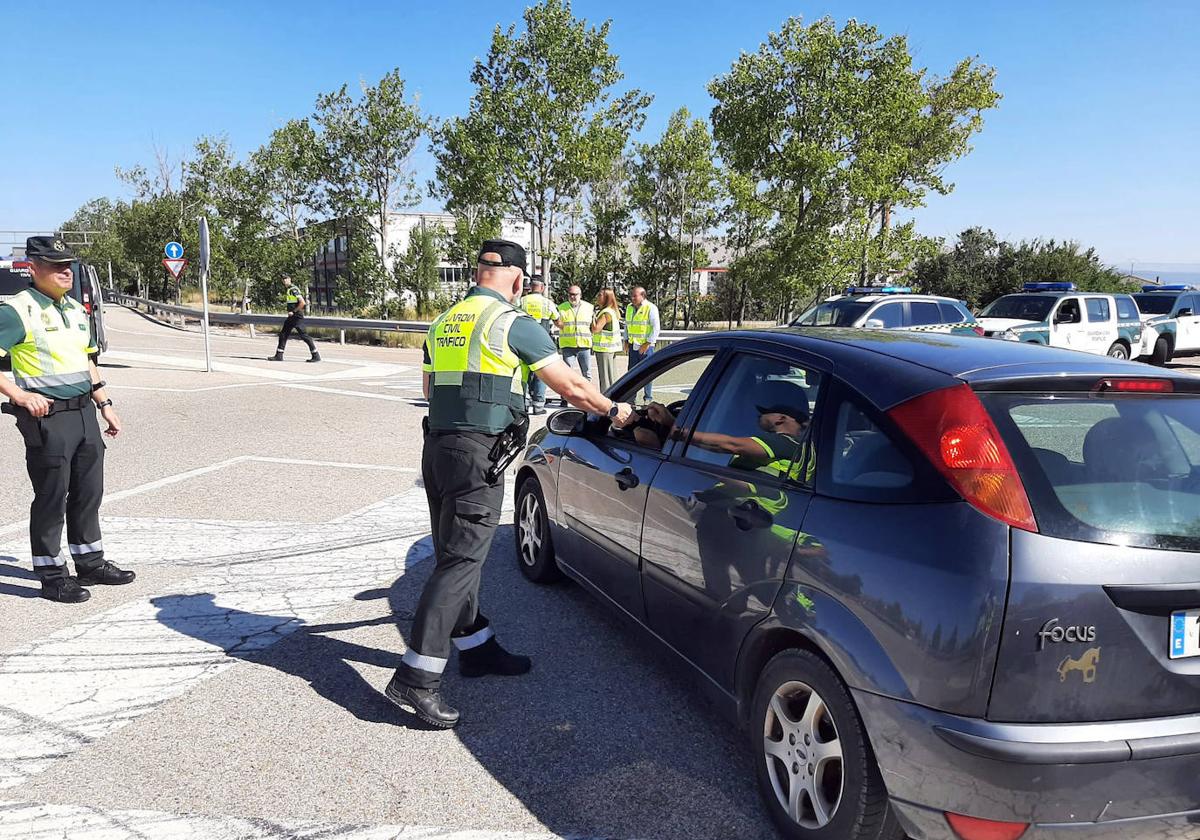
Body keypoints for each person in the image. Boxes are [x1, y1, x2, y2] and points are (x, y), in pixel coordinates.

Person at [384, 239, 635, 729]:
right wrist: (616, 411)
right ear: (519, 281)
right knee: (460, 562)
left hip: (437, 447)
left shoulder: (444, 321)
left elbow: (429, 390)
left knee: (457, 555)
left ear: (477, 273)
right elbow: (572, 387)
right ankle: (416, 677)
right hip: (478, 453)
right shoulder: (512, 323)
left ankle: (475, 648)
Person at [0, 236, 133, 603]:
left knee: (89, 492)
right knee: (52, 496)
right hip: (47, 419)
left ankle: (90, 563)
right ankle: (52, 574)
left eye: (68, 264)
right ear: (34, 267)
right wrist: (20, 395)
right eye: (56, 265)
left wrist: (105, 403)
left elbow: (87, 360)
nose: (66, 271)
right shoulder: (18, 310)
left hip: (84, 413)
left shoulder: (76, 309)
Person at [518, 275, 557, 414]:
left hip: (522, 341)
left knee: (524, 373)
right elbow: (558, 321)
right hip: (542, 342)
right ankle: (538, 405)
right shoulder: (548, 303)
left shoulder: (521, 301)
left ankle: (525, 401)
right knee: (541, 373)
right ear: (542, 287)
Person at [269, 276, 320, 363]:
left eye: (286, 279)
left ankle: (316, 355)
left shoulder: (293, 289)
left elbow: (302, 303)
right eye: (283, 279)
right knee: (283, 335)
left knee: (304, 335)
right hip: (292, 317)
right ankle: (279, 355)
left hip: (296, 316)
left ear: (290, 279)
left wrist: (293, 311)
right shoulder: (289, 289)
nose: (284, 281)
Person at [624, 287, 660, 403]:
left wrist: (648, 343)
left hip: (646, 346)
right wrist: (625, 340)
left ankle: (647, 399)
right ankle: (631, 399)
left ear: (642, 296)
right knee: (632, 373)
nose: (632, 298)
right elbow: (627, 325)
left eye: (635, 296)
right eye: (632, 296)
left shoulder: (650, 308)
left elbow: (656, 328)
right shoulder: (629, 308)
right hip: (633, 345)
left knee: (647, 373)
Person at [556, 285, 594, 382]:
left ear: (580, 295)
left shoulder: (589, 307)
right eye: (571, 294)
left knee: (587, 374)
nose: (573, 297)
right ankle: (565, 396)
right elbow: (557, 323)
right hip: (568, 345)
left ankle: (586, 396)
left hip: (584, 345)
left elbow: (593, 326)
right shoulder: (561, 308)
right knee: (566, 374)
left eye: (575, 294)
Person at [590, 287, 622, 392]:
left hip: (604, 349)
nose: (598, 297)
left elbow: (596, 329)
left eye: (600, 295)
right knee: (611, 376)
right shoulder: (612, 311)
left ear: (606, 298)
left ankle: (606, 398)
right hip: (610, 348)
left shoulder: (605, 313)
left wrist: (592, 317)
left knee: (605, 378)